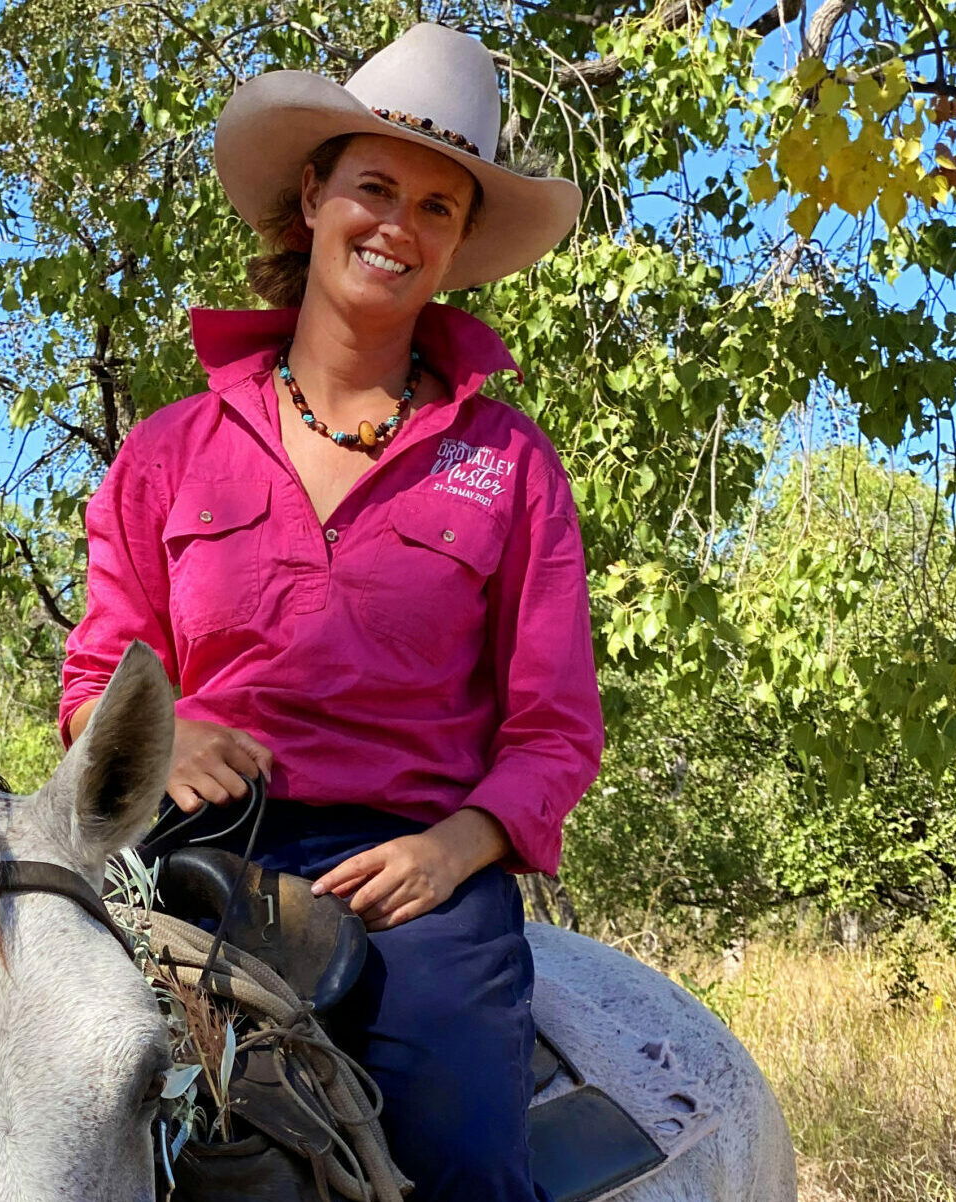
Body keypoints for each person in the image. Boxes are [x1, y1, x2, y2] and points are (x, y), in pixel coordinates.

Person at [59, 23, 602, 1200]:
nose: (398, 225)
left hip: (414, 879)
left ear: (456, 245)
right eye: (374, 188)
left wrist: (456, 847)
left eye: (436, 207)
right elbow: (97, 677)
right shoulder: (168, 452)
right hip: (190, 854)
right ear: (312, 197)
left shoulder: (509, 465)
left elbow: (555, 730)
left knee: (463, 1154)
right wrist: (162, 735)